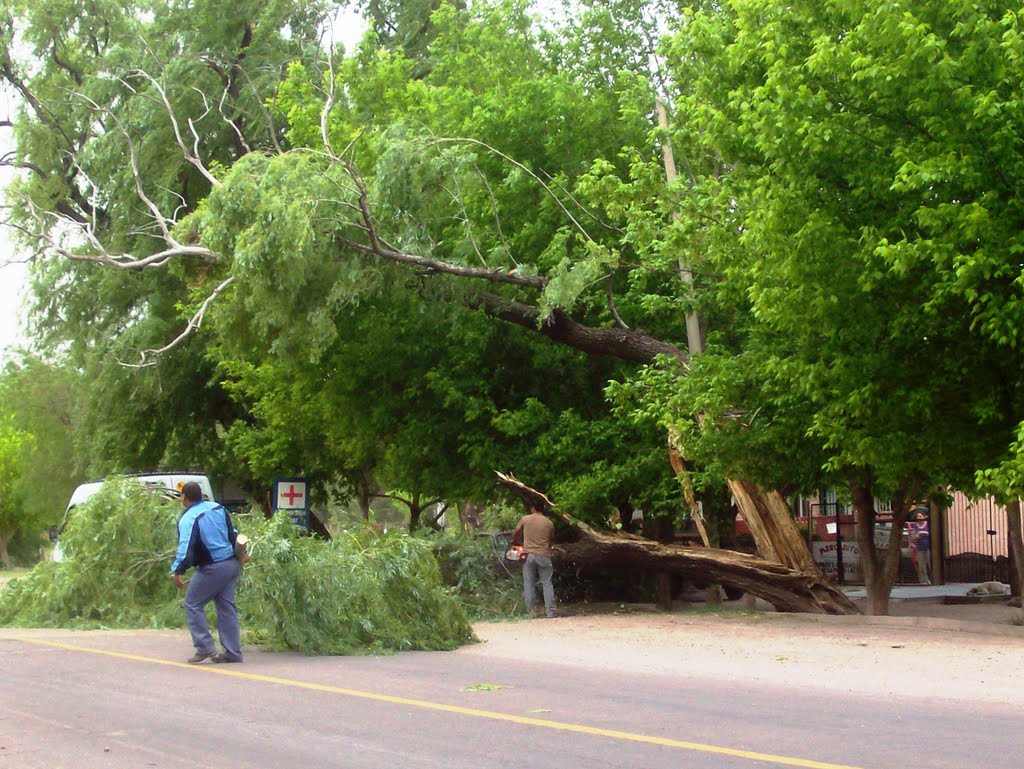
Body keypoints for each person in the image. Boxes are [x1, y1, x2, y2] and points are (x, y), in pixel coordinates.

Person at [171, 481, 243, 663]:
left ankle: (204, 647)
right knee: (227, 608)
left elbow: (186, 547)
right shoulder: (218, 508)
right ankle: (233, 652)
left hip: (212, 568)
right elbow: (232, 534)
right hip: (231, 564)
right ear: (201, 494)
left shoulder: (188, 518)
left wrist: (178, 570)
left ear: (184, 497)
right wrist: (244, 554)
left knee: (192, 604)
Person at [512, 505, 557, 618]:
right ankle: (550, 611)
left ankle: (531, 612)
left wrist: (515, 541)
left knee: (529, 584)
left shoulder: (526, 519)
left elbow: (516, 531)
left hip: (528, 555)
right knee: (547, 583)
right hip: (544, 555)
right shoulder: (549, 523)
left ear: (532, 508)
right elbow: (551, 538)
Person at [911, 508, 931, 586]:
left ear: (924, 517)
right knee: (921, 566)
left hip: (928, 546)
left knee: (930, 564)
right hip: (919, 547)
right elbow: (913, 536)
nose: (919, 519)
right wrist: (915, 536)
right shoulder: (916, 525)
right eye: (918, 518)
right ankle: (925, 581)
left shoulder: (928, 524)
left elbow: (931, 533)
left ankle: (932, 579)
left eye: (920, 517)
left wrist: (924, 532)